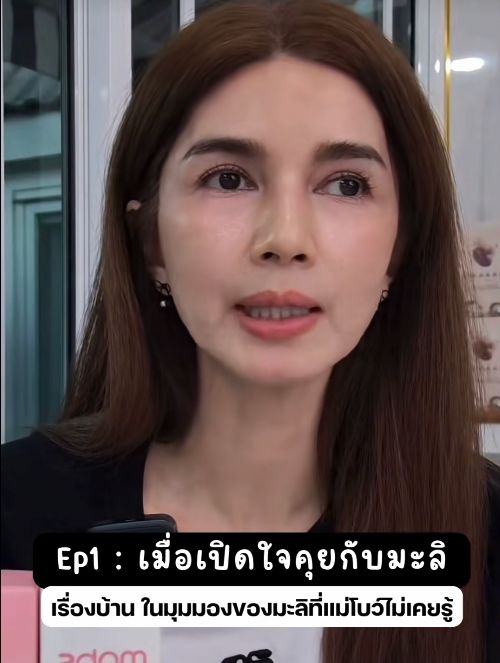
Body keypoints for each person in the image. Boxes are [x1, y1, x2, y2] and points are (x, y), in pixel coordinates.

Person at [2, 1, 499, 661]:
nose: (285, 238)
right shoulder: (15, 512)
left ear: (398, 251)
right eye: (229, 179)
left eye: (346, 185)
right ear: (151, 240)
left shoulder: (485, 537)